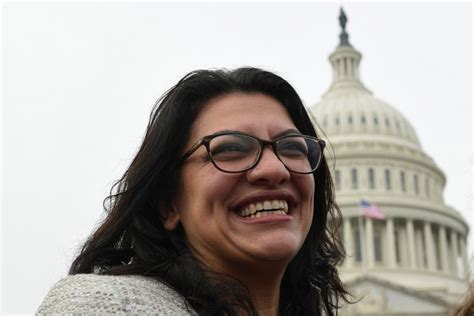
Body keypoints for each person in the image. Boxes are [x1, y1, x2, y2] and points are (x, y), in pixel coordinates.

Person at [38, 67, 349, 315]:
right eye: (229, 149)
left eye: (292, 147)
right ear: (168, 204)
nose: (274, 169)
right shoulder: (103, 307)